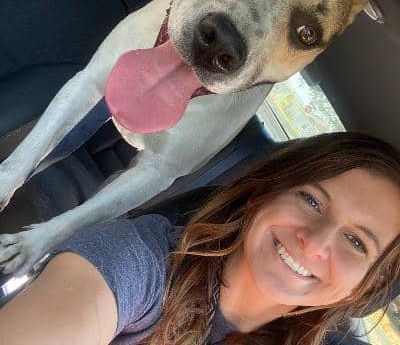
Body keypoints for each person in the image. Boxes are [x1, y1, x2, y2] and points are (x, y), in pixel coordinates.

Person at [1, 131, 400, 345]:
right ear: (263, 192)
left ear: (364, 288)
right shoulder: (138, 261)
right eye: (311, 201)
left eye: (357, 243)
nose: (315, 243)